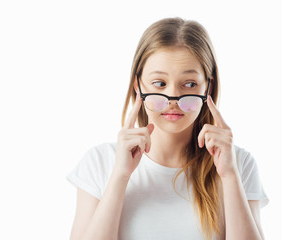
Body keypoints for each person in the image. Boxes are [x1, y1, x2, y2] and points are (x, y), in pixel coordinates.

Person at [67, 17, 269, 240]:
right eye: (160, 84)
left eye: (189, 84)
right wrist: (120, 175)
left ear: (208, 87)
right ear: (138, 85)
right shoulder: (100, 162)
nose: (174, 98)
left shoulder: (238, 163)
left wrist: (230, 175)